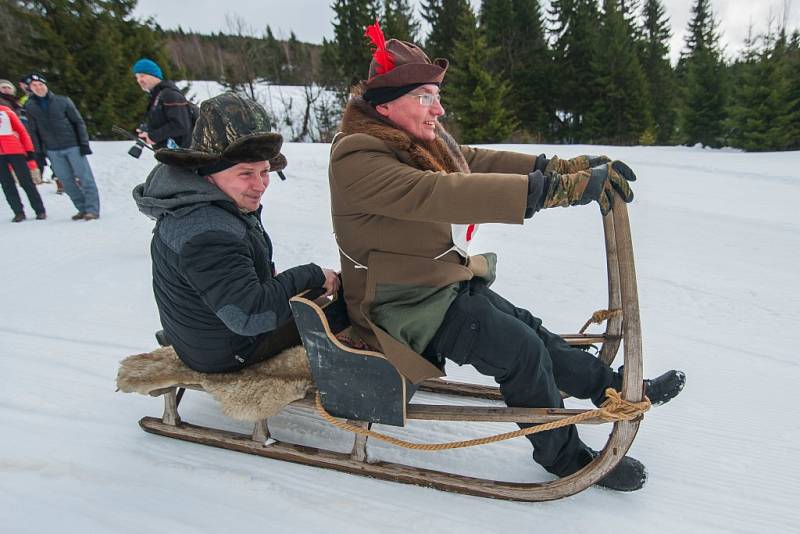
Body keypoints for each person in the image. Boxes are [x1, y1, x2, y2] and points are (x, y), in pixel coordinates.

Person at [327, 28, 685, 492]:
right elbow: (437, 193)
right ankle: (566, 459)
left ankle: (610, 388)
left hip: (436, 282)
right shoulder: (356, 155)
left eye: (437, 96)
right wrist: (552, 191)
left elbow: (475, 162)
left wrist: (564, 169)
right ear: (385, 106)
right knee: (521, 352)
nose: (439, 109)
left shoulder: (414, 141)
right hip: (399, 304)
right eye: (424, 97)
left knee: (531, 331)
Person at [133, 92, 339, 373]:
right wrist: (311, 274)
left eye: (264, 171)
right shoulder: (207, 230)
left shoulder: (209, 204)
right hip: (227, 352)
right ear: (208, 174)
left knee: (315, 294)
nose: (260, 185)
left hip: (210, 334)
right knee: (336, 310)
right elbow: (250, 316)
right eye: (246, 174)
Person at [24, 73, 100, 220]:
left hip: (72, 146)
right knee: (66, 181)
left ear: (46, 85)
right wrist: (39, 152)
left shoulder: (62, 101)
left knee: (85, 178)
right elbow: (33, 131)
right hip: (52, 150)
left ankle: (92, 209)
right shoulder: (30, 106)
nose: (39, 88)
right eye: (34, 86)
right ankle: (82, 208)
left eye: (41, 84)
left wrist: (83, 144)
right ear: (30, 89)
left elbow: (78, 122)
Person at [131, 58, 193, 150]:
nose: (139, 80)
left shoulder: (170, 94)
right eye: (137, 77)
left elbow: (181, 125)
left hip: (183, 156)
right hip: (171, 155)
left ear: (154, 75)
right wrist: (149, 130)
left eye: (142, 75)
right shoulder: (157, 96)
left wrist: (153, 136)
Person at [0, 102, 46, 221]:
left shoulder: (6, 111)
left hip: (15, 150)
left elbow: (21, 131)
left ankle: (39, 210)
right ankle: (18, 212)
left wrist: (29, 151)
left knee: (26, 181)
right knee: (6, 185)